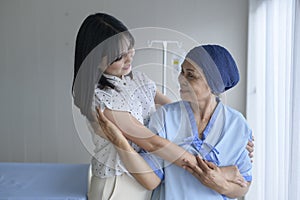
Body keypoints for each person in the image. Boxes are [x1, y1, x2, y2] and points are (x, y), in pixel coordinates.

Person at [72, 12, 253, 200]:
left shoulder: (137, 80)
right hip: (118, 183)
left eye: (130, 48)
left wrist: (240, 138)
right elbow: (152, 142)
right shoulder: (103, 101)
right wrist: (221, 173)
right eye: (119, 56)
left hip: (144, 184)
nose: (129, 58)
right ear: (97, 62)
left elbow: (181, 113)